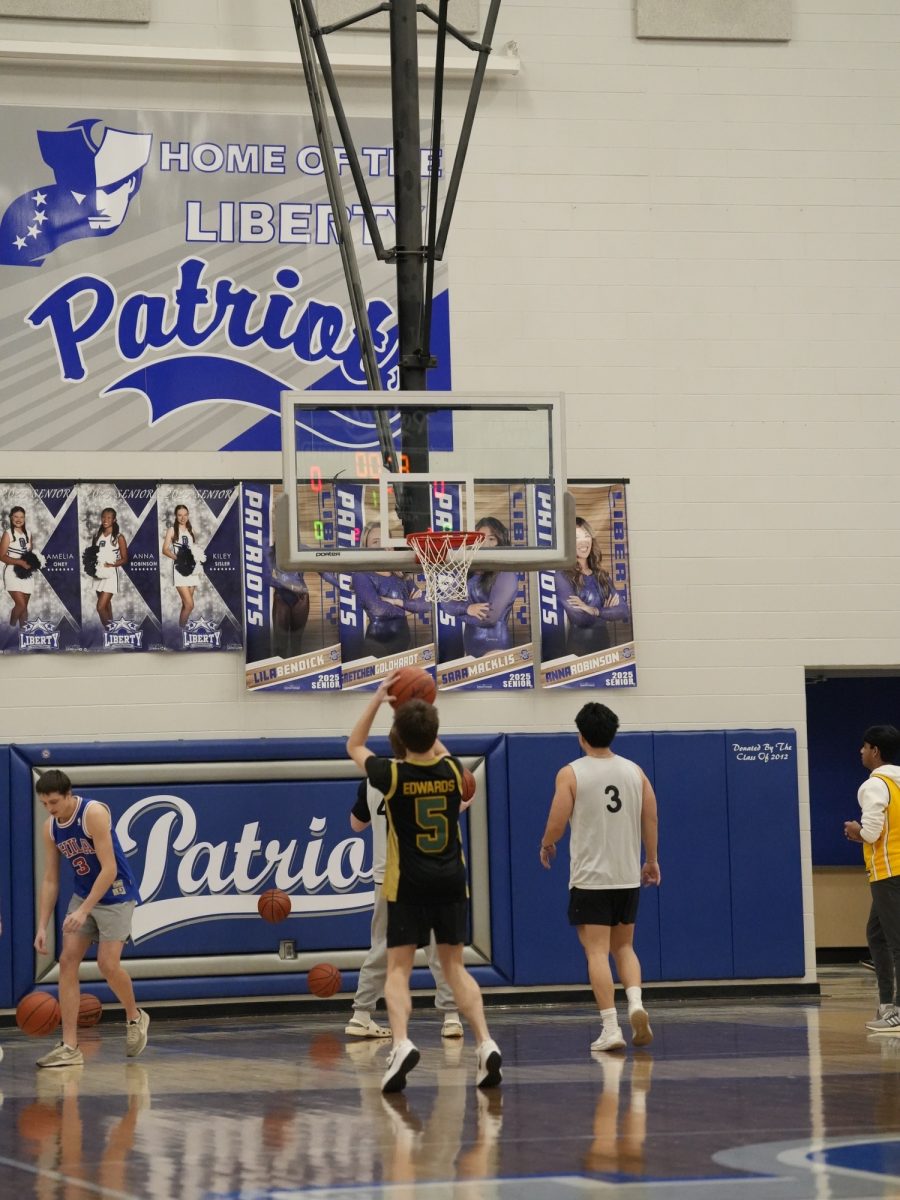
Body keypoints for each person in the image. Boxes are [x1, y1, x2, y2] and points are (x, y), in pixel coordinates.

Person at [346, 679, 502, 1093]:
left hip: (407, 883)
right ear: (434, 735)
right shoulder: (454, 772)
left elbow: (354, 745)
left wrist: (380, 700)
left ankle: (401, 1043)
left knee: (398, 968)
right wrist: (422, 712)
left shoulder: (390, 775)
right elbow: (440, 751)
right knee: (454, 968)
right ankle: (485, 1043)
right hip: (452, 881)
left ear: (397, 736)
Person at [539, 702, 660, 1053]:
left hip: (591, 879)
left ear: (581, 736)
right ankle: (636, 1003)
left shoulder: (571, 773)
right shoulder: (635, 772)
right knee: (625, 946)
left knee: (596, 953)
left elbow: (557, 820)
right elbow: (650, 818)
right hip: (627, 876)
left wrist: (547, 843)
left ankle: (611, 1027)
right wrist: (650, 859)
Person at [346, 725, 468, 1040]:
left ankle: (361, 1013)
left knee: (384, 947)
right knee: (441, 949)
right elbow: (462, 801)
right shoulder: (438, 777)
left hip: (387, 875)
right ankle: (452, 1016)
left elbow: (356, 824)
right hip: (430, 872)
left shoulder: (375, 778)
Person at [33, 769, 149, 1068]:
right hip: (83, 896)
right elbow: (50, 880)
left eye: (54, 801)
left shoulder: (93, 813)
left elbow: (109, 869)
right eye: (44, 803)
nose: (50, 808)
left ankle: (135, 1017)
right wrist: (42, 925)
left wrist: (84, 910)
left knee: (107, 964)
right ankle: (70, 1047)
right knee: (67, 960)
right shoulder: (50, 828)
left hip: (117, 894)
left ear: (70, 794)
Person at [843, 724, 900, 1033]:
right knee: (877, 935)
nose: (861, 752)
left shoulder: (874, 785)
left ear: (876, 751)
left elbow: (872, 832)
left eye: (865, 747)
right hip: (894, 870)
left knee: (895, 941)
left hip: (889, 871)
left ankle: (898, 1011)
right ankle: (888, 1003)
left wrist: (856, 832)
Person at [442, 517, 518, 659]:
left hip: (495, 646)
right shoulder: (467, 572)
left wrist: (459, 611)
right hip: (469, 646)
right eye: (481, 539)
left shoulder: (505, 574)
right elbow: (445, 603)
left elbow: (489, 619)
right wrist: (468, 609)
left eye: (492, 539)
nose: (486, 544)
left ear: (501, 542)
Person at [351, 523, 430, 659]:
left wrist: (396, 601)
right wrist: (409, 608)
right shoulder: (361, 575)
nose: (382, 545)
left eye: (386, 540)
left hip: (405, 643)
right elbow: (378, 609)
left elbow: (426, 604)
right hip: (377, 646)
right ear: (366, 548)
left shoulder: (401, 576)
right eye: (376, 542)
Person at [554, 517, 630, 657]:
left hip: (604, 647)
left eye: (586, 536)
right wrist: (607, 611)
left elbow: (624, 611)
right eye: (577, 537)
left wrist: (593, 610)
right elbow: (581, 619)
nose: (583, 541)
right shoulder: (562, 576)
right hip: (579, 650)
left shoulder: (601, 576)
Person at [162, 503, 203, 627]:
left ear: (188, 515)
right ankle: (181, 632)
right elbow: (165, 550)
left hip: (192, 569)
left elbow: (194, 550)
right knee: (190, 605)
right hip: (180, 571)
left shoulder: (191, 531)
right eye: (179, 515)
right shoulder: (172, 530)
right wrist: (179, 559)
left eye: (185, 515)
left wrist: (196, 559)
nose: (182, 517)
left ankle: (181, 631)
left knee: (186, 605)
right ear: (176, 516)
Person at [0, 505, 38, 628]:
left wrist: (34, 562)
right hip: (12, 572)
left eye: (21, 517)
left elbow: (29, 554)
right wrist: (19, 562)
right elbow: (2, 556)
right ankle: (9, 632)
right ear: (11, 518)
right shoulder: (7, 534)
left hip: (26, 573)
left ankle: (23, 637)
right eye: (16, 516)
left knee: (24, 607)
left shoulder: (29, 534)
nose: (18, 519)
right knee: (20, 605)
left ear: (24, 518)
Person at [91, 507, 128, 629]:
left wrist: (113, 564)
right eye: (103, 517)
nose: (105, 520)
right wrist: (92, 565)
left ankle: (111, 633)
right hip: (98, 574)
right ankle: (111, 633)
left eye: (109, 518)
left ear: (114, 520)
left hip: (110, 575)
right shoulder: (97, 535)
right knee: (106, 606)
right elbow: (93, 554)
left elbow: (124, 558)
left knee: (100, 607)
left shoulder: (118, 537)